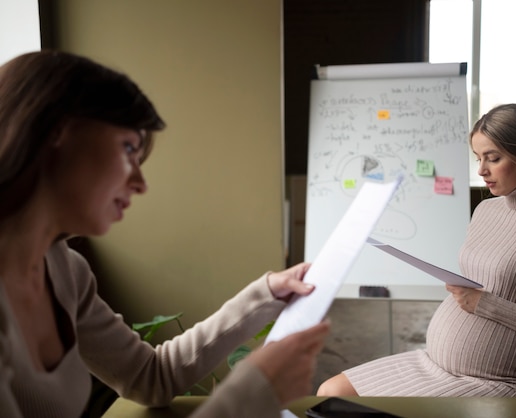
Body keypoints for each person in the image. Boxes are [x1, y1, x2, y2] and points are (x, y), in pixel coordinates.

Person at [0, 50, 330, 418]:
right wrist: (253, 393)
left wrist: (265, 294)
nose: (140, 184)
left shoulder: (65, 270)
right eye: (128, 149)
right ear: (56, 132)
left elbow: (149, 376)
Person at [317, 103, 516, 398]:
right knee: (329, 391)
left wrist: (486, 304)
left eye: (493, 158)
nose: (481, 170)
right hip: (433, 364)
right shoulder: (486, 210)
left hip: (499, 383)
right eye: (478, 158)